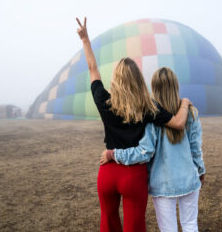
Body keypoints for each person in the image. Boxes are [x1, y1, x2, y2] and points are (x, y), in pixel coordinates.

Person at [76, 17, 191, 232]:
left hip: (108, 172)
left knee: (108, 223)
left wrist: (85, 40)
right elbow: (178, 123)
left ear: (115, 80)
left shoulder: (103, 100)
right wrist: (184, 103)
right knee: (134, 226)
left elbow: (92, 69)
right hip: (133, 175)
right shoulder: (148, 107)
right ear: (138, 79)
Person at [100, 67, 205, 232]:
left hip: (162, 185)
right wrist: (200, 171)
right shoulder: (191, 113)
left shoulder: (151, 117)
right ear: (176, 86)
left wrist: (114, 153)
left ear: (154, 88)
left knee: (168, 229)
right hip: (189, 179)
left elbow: (144, 152)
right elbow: (195, 148)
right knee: (190, 224)